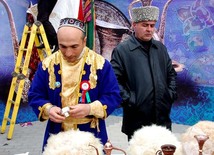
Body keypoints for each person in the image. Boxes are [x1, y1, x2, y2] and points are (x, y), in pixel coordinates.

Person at [28, 17, 121, 151]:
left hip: (91, 134)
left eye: (74, 46)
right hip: (57, 135)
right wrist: (49, 109)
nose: (68, 53)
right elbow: (35, 95)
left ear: (84, 41)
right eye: (62, 47)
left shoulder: (100, 64)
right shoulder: (47, 65)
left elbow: (113, 96)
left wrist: (90, 109)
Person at [110, 6, 177, 140]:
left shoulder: (160, 49)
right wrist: (131, 101)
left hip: (162, 118)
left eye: (152, 25)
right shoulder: (122, 51)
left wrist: (169, 95)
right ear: (134, 25)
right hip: (137, 119)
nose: (149, 29)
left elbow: (171, 74)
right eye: (145, 25)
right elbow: (115, 81)